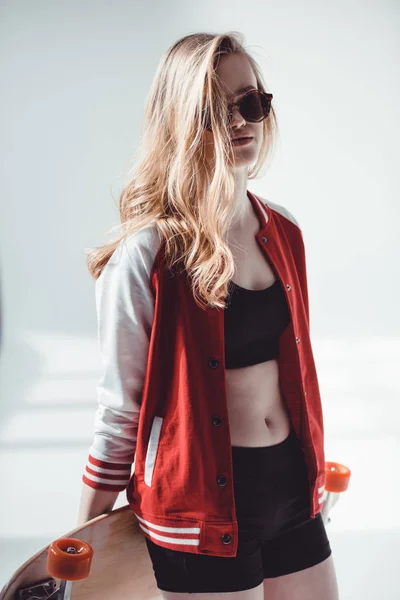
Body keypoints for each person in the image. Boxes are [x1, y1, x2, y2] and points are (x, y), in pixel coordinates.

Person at [77, 32, 340, 599]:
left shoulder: (284, 231)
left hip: (293, 492)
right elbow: (121, 406)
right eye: (213, 109)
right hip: (199, 511)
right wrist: (86, 533)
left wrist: (318, 475)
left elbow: (294, 372)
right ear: (179, 120)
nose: (240, 121)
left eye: (250, 102)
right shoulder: (147, 253)